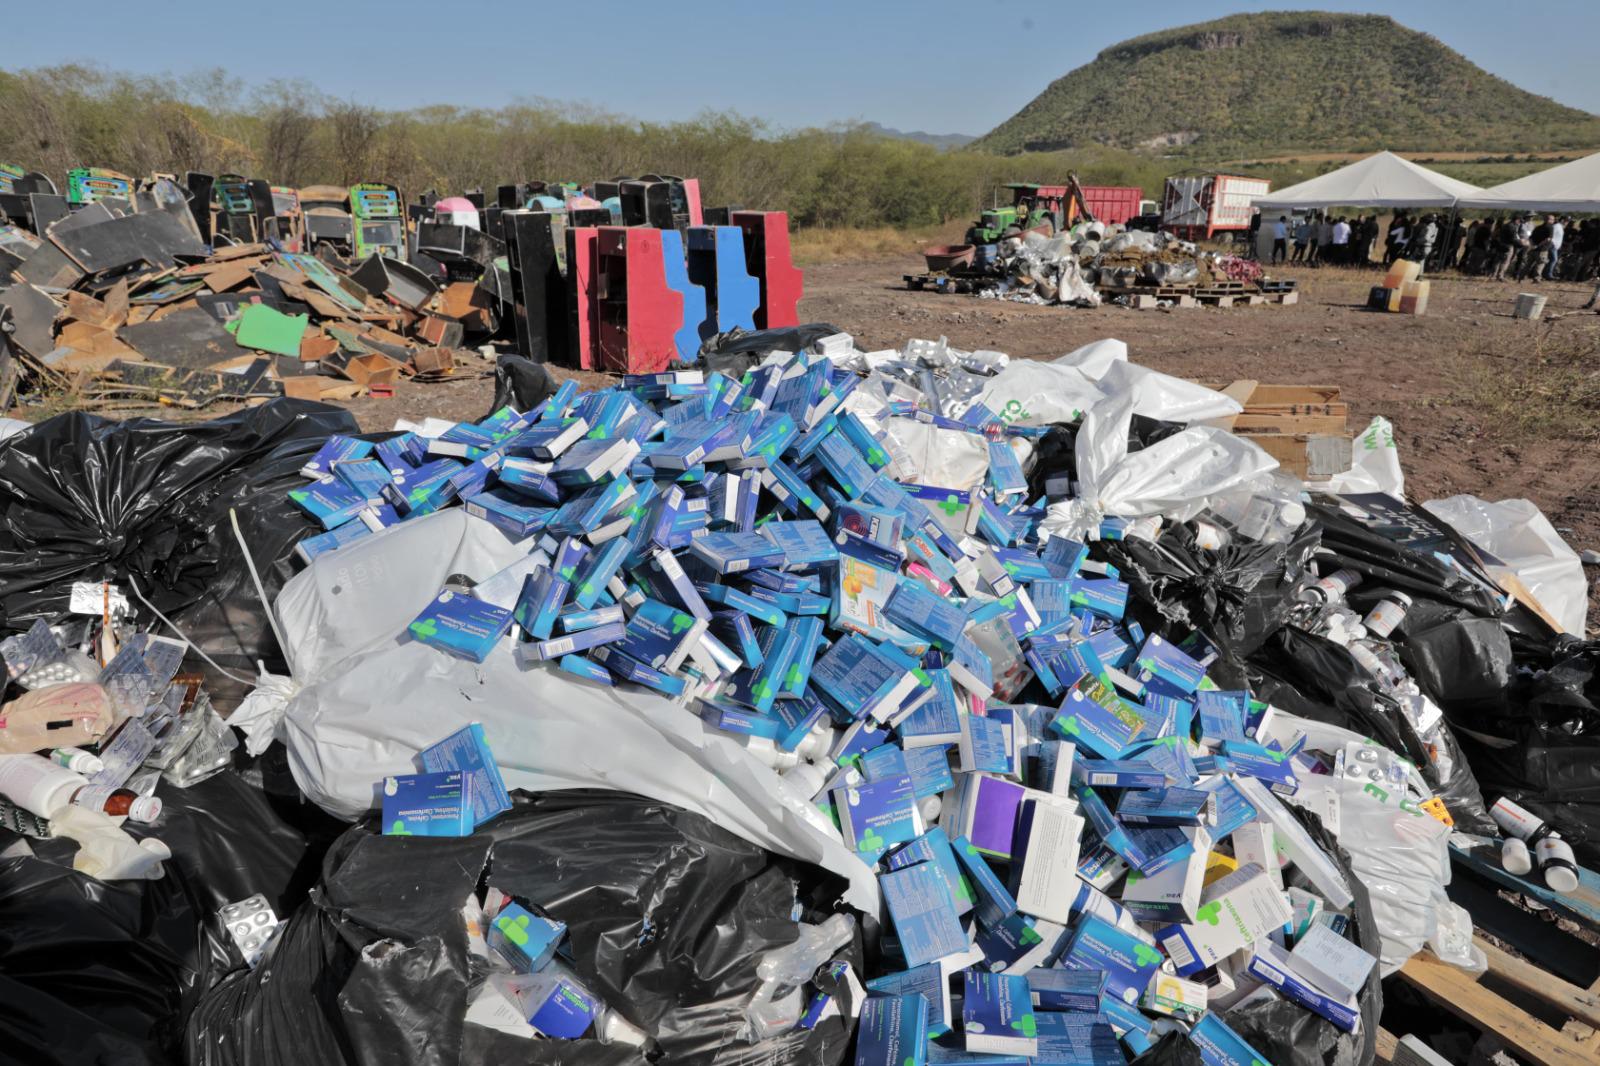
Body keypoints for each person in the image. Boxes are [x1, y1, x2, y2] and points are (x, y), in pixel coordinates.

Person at [1490, 217, 1519, 281]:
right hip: (1508, 246)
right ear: (1516, 220)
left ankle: (1493, 275)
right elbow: (1513, 238)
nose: (1519, 223)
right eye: (1519, 221)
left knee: (1497, 261)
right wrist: (1519, 243)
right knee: (1505, 262)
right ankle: (1500, 276)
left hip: (1501, 245)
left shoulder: (1504, 226)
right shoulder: (1512, 227)